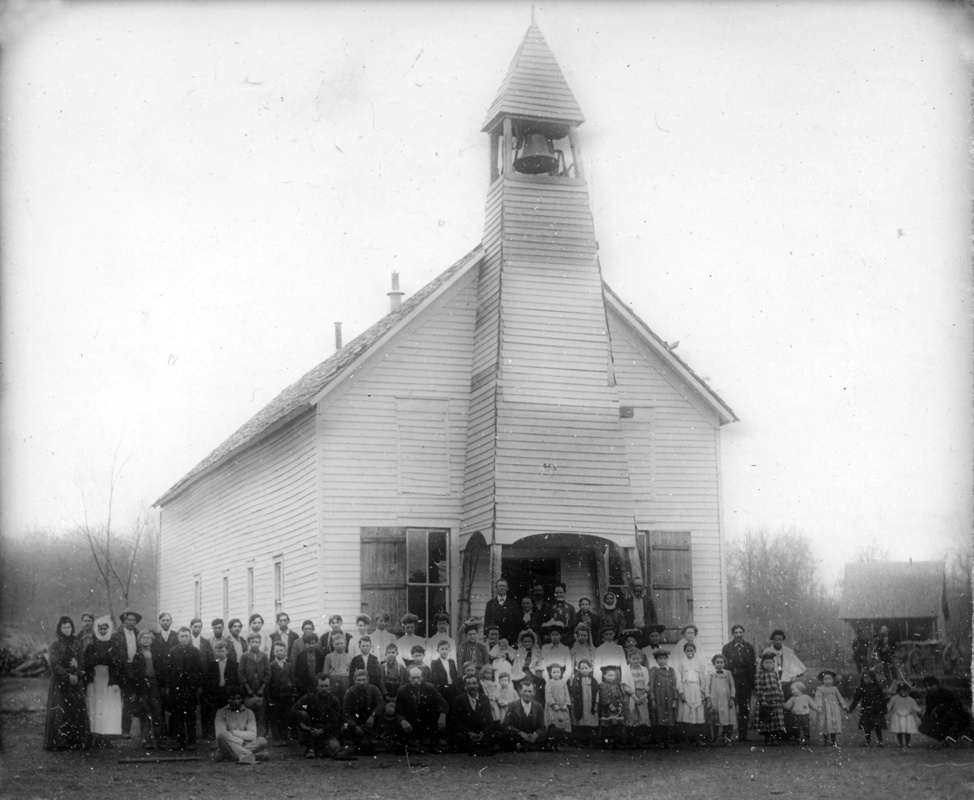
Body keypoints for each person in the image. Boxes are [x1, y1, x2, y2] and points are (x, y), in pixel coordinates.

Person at [44, 615, 90, 751]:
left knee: (75, 710)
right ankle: (59, 742)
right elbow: (54, 664)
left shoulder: (77, 643)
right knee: (59, 711)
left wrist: (78, 674)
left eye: (69, 627)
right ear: (60, 629)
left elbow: (82, 661)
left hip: (75, 682)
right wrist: (67, 675)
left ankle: (76, 741)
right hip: (60, 683)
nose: (67, 630)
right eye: (64, 627)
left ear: (72, 628)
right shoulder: (55, 645)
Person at [291, 674, 354, 759]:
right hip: (310, 731)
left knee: (335, 747)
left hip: (326, 732)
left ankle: (319, 749)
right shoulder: (309, 697)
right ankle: (310, 747)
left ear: (330, 687)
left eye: (326, 686)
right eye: (321, 686)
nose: (324, 689)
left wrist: (321, 730)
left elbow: (334, 722)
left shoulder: (334, 701)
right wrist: (303, 726)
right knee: (302, 713)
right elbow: (293, 710)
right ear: (317, 687)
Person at [84, 615, 123, 744]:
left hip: (109, 679)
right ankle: (96, 736)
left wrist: (115, 680)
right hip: (96, 679)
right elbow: (87, 663)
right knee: (96, 706)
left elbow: (118, 664)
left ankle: (106, 737)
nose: (102, 631)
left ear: (109, 629)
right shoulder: (92, 646)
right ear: (97, 629)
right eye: (100, 629)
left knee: (108, 707)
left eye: (105, 629)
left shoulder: (114, 645)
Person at [394, 666, 449, 753]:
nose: (416, 680)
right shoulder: (402, 691)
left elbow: (443, 703)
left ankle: (433, 745)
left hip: (426, 721)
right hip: (410, 721)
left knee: (440, 716)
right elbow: (397, 711)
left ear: (422, 678)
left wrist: (442, 716)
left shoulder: (430, 688)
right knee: (398, 724)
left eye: (418, 677)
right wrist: (403, 721)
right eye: (413, 678)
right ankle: (406, 745)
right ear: (409, 678)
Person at [167, 626, 203, 750]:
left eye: (186, 636)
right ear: (178, 637)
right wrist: (171, 685)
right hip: (177, 687)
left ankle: (192, 741)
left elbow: (199, 670)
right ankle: (180, 741)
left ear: (190, 637)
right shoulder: (172, 651)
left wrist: (197, 685)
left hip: (190, 688)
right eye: (181, 636)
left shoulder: (195, 651)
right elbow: (169, 669)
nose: (184, 638)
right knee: (178, 715)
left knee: (191, 716)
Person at [129, 630, 166, 749]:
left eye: (148, 638)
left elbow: (160, 670)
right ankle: (146, 740)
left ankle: (159, 740)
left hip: (154, 684)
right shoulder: (138, 655)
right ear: (139, 641)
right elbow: (134, 675)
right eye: (143, 638)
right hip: (142, 685)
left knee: (157, 712)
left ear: (152, 640)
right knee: (144, 713)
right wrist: (136, 690)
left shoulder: (156, 654)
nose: (146, 640)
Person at [214, 688, 269, 764]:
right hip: (227, 746)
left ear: (242, 699)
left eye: (238, 698)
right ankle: (247, 755)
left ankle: (237, 755)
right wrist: (241, 741)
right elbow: (220, 734)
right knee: (223, 735)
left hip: (244, 744)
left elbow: (252, 735)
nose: (236, 701)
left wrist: (233, 732)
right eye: (233, 699)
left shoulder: (249, 712)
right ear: (228, 700)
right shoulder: (221, 712)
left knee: (262, 741)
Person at [722, 624, 757, 741]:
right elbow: (725, 666)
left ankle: (743, 736)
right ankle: (727, 736)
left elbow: (752, 666)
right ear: (732, 634)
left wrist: (753, 683)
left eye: (740, 632)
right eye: (736, 632)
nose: (738, 635)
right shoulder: (727, 648)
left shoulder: (749, 647)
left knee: (744, 710)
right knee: (730, 708)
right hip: (732, 681)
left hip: (745, 682)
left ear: (743, 633)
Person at [202, 639, 242, 740]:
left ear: (227, 651)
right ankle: (214, 734)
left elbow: (236, 681)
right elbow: (208, 681)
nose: (220, 653)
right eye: (218, 651)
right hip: (215, 692)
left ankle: (230, 733)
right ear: (215, 652)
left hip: (228, 692)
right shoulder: (212, 665)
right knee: (214, 712)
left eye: (222, 651)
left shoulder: (233, 665)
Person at [450, 674, 500, 754]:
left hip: (481, 733)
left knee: (497, 735)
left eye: (474, 683)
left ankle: (477, 746)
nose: (471, 686)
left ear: (478, 684)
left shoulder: (484, 698)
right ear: (465, 686)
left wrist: (482, 733)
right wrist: (468, 733)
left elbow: (489, 719)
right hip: (467, 733)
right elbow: (455, 720)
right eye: (468, 684)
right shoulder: (459, 699)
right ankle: (479, 746)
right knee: (458, 738)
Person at [113, 608, 142, 739]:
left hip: (134, 670)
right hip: (120, 670)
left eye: (133, 620)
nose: (131, 622)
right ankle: (113, 730)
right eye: (128, 620)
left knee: (130, 701)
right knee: (116, 700)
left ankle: (126, 730)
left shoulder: (138, 634)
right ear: (124, 621)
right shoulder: (116, 635)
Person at [919, 675, 973, 745]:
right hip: (941, 720)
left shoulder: (945, 693)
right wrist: (924, 718)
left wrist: (940, 707)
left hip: (955, 718)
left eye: (930, 685)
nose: (928, 688)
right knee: (923, 727)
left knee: (949, 718)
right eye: (926, 686)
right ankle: (943, 739)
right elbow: (928, 711)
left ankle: (952, 738)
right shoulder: (929, 697)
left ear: (936, 685)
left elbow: (956, 706)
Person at [342, 669, 385, 754]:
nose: (361, 683)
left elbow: (381, 705)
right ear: (354, 681)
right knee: (345, 728)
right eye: (359, 680)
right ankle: (355, 743)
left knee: (384, 718)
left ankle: (373, 741)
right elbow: (346, 712)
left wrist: (373, 715)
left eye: (363, 680)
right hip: (356, 722)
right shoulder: (349, 692)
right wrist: (355, 726)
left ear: (368, 680)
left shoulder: (374, 689)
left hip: (371, 722)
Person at [503, 677, 550, 751]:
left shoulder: (538, 706)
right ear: (520, 691)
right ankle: (534, 747)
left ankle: (523, 747)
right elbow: (506, 725)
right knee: (504, 734)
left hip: (533, 737)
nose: (527, 694)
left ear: (534, 692)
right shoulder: (513, 705)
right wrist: (521, 733)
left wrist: (536, 735)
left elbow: (542, 727)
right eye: (524, 691)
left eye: (529, 691)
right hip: (519, 736)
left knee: (556, 732)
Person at [676, 642, 707, 745]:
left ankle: (698, 739)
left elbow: (702, 678)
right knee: (686, 714)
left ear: (695, 651)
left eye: (691, 650)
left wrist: (703, 692)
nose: (689, 652)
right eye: (687, 651)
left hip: (696, 689)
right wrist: (681, 692)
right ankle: (686, 740)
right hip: (686, 688)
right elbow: (678, 678)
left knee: (698, 714)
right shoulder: (681, 662)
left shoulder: (699, 663)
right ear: (684, 651)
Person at [238, 632, 269, 735]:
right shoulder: (245, 656)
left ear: (260, 643)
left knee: (261, 713)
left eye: (257, 642)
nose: (255, 644)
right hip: (248, 690)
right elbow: (241, 673)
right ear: (249, 643)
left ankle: (261, 735)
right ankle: (249, 734)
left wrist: (262, 689)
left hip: (261, 689)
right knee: (249, 712)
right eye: (252, 642)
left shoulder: (264, 656)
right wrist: (248, 688)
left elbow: (268, 673)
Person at [266, 641, 296, 746]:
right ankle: (276, 738)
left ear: (285, 651)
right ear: (273, 652)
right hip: (275, 696)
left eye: (281, 650)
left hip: (286, 696)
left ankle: (284, 737)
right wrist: (268, 695)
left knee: (285, 717)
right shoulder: (270, 665)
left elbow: (293, 681)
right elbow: (268, 682)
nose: (279, 652)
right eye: (277, 650)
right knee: (274, 717)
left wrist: (293, 694)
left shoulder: (289, 666)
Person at [847, 669, 886, 747]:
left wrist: (884, 708)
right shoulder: (861, 689)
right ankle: (868, 741)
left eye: (868, 678)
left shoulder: (877, 688)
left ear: (873, 678)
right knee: (867, 727)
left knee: (878, 726)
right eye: (865, 678)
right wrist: (851, 708)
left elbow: (882, 699)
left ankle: (880, 741)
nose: (866, 680)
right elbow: (856, 700)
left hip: (876, 710)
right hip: (866, 710)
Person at [648, 650, 678, 748]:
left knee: (669, 720)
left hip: (669, 699)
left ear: (667, 659)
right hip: (658, 698)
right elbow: (651, 686)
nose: (662, 660)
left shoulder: (671, 671)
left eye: (664, 658)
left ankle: (668, 740)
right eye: (660, 659)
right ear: (656, 660)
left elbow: (674, 685)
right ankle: (659, 741)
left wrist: (674, 699)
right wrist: (652, 699)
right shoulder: (654, 670)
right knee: (659, 719)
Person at [755, 653, 786, 746]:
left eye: (771, 663)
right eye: (766, 663)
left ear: (773, 664)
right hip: (767, 700)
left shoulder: (775, 673)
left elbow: (779, 685)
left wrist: (781, 696)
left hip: (776, 699)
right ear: (762, 664)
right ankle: (767, 739)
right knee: (767, 720)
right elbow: (759, 687)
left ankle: (775, 739)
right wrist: (762, 699)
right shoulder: (760, 674)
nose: (769, 665)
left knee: (776, 719)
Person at [568, 658, 599, 746]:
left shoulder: (593, 680)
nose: (584, 670)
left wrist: (596, 704)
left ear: (590, 669)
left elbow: (597, 692)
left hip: (590, 703)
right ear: (579, 669)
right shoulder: (576, 679)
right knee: (581, 721)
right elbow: (573, 692)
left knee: (590, 721)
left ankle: (590, 740)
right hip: (581, 703)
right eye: (582, 668)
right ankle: (580, 740)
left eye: (586, 668)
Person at [707, 653, 736, 745]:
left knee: (728, 719)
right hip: (715, 699)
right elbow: (707, 686)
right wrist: (708, 698)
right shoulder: (711, 674)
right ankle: (715, 739)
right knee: (715, 719)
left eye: (721, 662)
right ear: (714, 663)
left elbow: (732, 686)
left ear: (724, 663)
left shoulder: (728, 673)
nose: (719, 664)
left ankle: (726, 739)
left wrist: (732, 698)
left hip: (726, 700)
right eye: (717, 662)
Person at [597, 665, 627, 749]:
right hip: (607, 708)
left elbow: (620, 695)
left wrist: (620, 704)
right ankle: (606, 742)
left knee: (616, 726)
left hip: (616, 708)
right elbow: (604, 697)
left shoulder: (616, 685)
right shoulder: (602, 685)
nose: (611, 677)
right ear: (604, 676)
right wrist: (610, 706)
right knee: (607, 727)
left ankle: (615, 742)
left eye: (613, 676)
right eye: (609, 675)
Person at [484, 579, 521, 645]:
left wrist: (515, 637)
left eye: (504, 586)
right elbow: (487, 621)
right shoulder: (490, 603)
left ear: (507, 588)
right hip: (494, 637)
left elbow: (517, 622)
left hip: (509, 638)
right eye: (500, 586)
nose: (502, 588)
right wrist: (486, 635)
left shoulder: (513, 604)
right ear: (496, 588)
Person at [511, 630, 546, 698]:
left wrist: (537, 672)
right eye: (525, 641)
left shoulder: (537, 651)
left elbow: (540, 664)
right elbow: (516, 665)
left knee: (534, 690)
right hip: (522, 674)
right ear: (522, 642)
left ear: (532, 642)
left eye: (529, 641)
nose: (527, 643)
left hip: (534, 673)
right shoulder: (519, 652)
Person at [626, 649, 651, 743]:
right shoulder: (627, 669)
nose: (636, 660)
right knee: (633, 715)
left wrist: (644, 696)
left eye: (637, 658)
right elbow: (625, 684)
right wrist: (634, 697)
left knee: (643, 715)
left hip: (642, 695)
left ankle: (641, 739)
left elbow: (647, 684)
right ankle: (633, 739)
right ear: (629, 659)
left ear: (641, 659)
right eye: (633, 659)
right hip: (632, 695)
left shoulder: (644, 669)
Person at [887, 681, 921, 748]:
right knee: (899, 731)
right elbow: (889, 706)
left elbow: (915, 707)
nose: (905, 693)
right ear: (899, 690)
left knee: (907, 732)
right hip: (898, 716)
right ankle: (900, 743)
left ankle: (908, 743)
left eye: (907, 691)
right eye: (903, 691)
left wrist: (919, 710)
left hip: (907, 717)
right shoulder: (894, 698)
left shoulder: (910, 699)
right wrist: (885, 710)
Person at [544, 663, 572, 742]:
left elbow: (567, 694)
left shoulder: (563, 683)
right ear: (550, 673)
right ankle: (553, 739)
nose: (556, 674)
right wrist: (553, 704)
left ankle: (562, 740)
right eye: (554, 672)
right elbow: (548, 694)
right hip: (553, 707)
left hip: (562, 706)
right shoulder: (549, 682)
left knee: (563, 721)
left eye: (558, 672)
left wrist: (566, 704)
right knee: (553, 722)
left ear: (561, 673)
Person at [293, 631, 324, 697]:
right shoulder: (300, 656)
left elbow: (322, 670)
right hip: (305, 683)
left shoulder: (320, 655)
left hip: (316, 682)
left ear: (316, 643)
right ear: (305, 643)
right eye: (309, 643)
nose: (311, 645)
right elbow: (297, 672)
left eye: (313, 643)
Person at [783, 681, 813, 746]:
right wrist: (783, 704)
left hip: (805, 716)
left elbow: (812, 704)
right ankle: (797, 740)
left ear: (799, 689)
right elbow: (788, 706)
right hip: (796, 716)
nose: (792, 691)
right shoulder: (792, 698)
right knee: (796, 729)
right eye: (791, 690)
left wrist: (817, 708)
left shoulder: (806, 697)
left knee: (806, 729)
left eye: (793, 689)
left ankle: (807, 740)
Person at [430, 639, 459, 704]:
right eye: (442, 649)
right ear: (438, 650)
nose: (444, 651)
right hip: (442, 689)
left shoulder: (452, 662)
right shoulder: (435, 663)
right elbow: (434, 679)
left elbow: (454, 675)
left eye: (446, 649)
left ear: (449, 650)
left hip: (452, 688)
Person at [323, 631, 351, 698]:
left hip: (345, 680)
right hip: (333, 680)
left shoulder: (349, 656)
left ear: (345, 644)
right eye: (337, 644)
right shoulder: (329, 656)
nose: (340, 646)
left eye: (341, 643)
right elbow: (325, 672)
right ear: (333, 644)